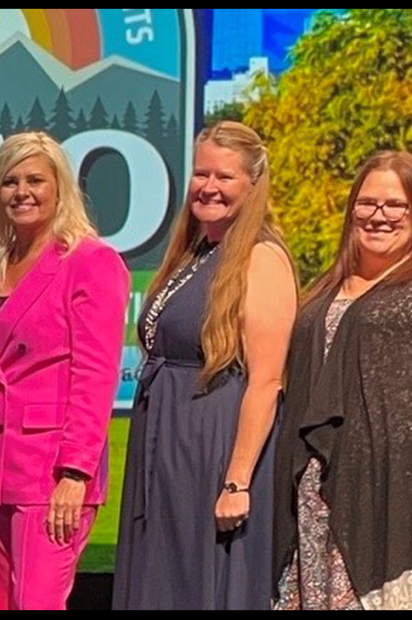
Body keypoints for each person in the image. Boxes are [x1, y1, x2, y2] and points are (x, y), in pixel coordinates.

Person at [274, 151, 412, 610]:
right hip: (322, 501)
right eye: (367, 203)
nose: (379, 216)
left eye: (395, 205)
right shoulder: (323, 290)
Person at [0, 131, 129, 609]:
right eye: (9, 181)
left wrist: (75, 474)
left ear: (60, 188)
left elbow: (95, 375)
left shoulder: (91, 262)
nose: (22, 191)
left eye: (35, 179)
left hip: (49, 472)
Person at [113, 121, 297, 609]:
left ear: (253, 184)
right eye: (201, 174)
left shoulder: (261, 257)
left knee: (202, 582)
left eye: (225, 177)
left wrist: (236, 481)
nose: (209, 187)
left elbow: (267, 380)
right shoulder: (195, 252)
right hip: (165, 437)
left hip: (211, 442)